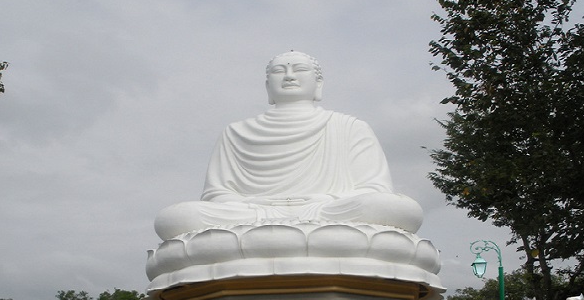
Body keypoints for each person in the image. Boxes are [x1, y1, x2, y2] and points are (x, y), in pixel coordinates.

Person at [153, 51, 424, 241]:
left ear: (318, 84)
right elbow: (217, 194)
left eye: (300, 70)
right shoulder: (236, 132)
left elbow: (373, 188)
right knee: (177, 218)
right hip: (253, 213)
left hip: (326, 211)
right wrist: (261, 209)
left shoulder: (349, 127)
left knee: (395, 208)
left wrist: (322, 202)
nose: (289, 76)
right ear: (267, 85)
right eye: (279, 71)